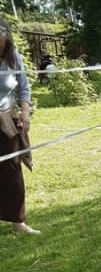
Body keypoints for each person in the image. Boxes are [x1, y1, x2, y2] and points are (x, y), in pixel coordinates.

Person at [0, 18, 40, 235]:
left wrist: (25, 113)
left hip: (7, 120)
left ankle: (18, 222)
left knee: (12, 170)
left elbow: (23, 87)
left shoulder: (13, 58)